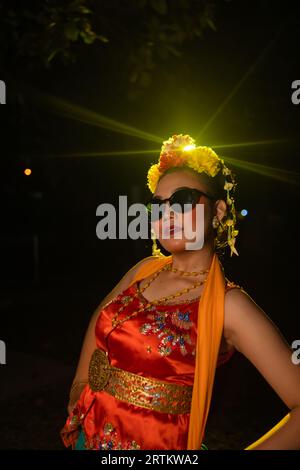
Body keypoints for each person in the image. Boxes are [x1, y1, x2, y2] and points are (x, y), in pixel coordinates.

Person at [60, 134, 299, 450]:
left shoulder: (230, 305)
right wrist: (79, 386)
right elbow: (100, 319)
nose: (166, 213)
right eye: (157, 205)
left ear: (217, 211)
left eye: (183, 200)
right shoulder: (143, 269)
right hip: (86, 437)